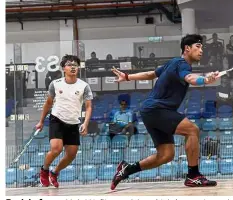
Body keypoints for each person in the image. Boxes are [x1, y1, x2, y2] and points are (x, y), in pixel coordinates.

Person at [110, 34, 219, 189]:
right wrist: (204, 79)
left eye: (202, 47)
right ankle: (193, 176)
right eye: (198, 46)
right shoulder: (182, 64)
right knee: (192, 130)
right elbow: (190, 78)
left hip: (150, 111)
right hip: (157, 109)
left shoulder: (172, 62)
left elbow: (150, 74)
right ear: (187, 49)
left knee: (166, 155)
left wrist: (127, 76)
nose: (201, 50)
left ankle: (127, 169)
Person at [35, 55, 93, 188]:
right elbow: (48, 103)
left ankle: (54, 173)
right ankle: (44, 170)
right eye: (69, 65)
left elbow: (89, 106)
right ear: (63, 68)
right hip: (57, 120)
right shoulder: (55, 84)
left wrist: (85, 123)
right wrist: (41, 121)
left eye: (75, 65)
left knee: (71, 155)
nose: (73, 67)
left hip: (73, 123)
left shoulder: (84, 86)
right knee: (56, 149)